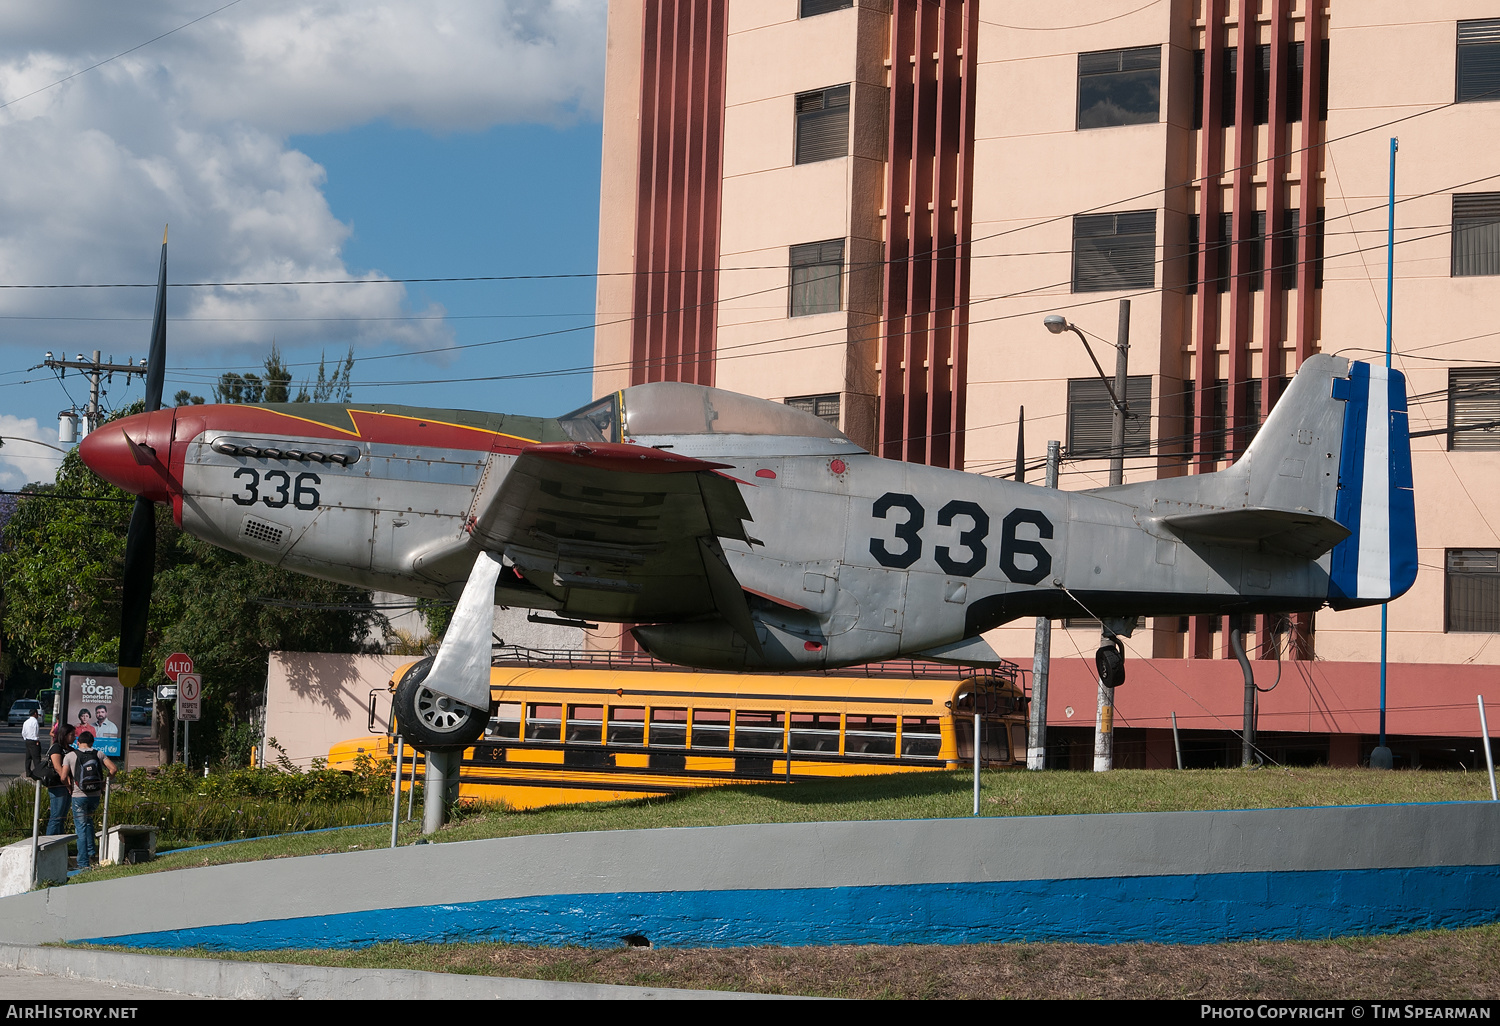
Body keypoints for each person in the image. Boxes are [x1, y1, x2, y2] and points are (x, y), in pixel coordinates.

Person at [61, 730, 115, 871]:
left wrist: (69, 787)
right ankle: (92, 853)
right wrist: (103, 784)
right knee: (89, 821)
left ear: (78, 742)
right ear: (92, 742)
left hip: (79, 796)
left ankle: (83, 862)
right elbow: (113, 769)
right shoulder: (98, 754)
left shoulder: (70, 756)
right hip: (95, 795)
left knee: (81, 828)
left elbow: (62, 776)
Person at [42, 723, 76, 836]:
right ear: (65, 735)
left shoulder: (71, 749)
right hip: (57, 785)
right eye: (72, 734)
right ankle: (49, 843)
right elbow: (57, 767)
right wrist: (66, 783)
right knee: (56, 817)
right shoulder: (56, 747)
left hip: (68, 785)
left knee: (62, 817)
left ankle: (59, 844)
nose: (74, 737)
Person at [21, 707, 41, 780]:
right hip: (33, 741)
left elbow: (23, 732)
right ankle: (38, 773)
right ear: (35, 713)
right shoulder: (35, 722)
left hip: (27, 740)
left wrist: (25, 738)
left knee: (28, 757)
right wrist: (37, 740)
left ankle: (28, 772)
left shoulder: (26, 722)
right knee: (36, 758)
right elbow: (36, 732)